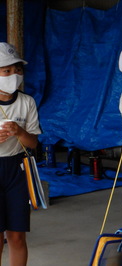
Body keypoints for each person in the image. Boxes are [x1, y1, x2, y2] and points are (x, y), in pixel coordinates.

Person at [0, 42, 41, 266]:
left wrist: (19, 131)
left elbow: (33, 142)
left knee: (17, 235)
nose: (13, 75)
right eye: (6, 71)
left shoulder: (27, 102)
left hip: (17, 170)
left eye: (17, 70)